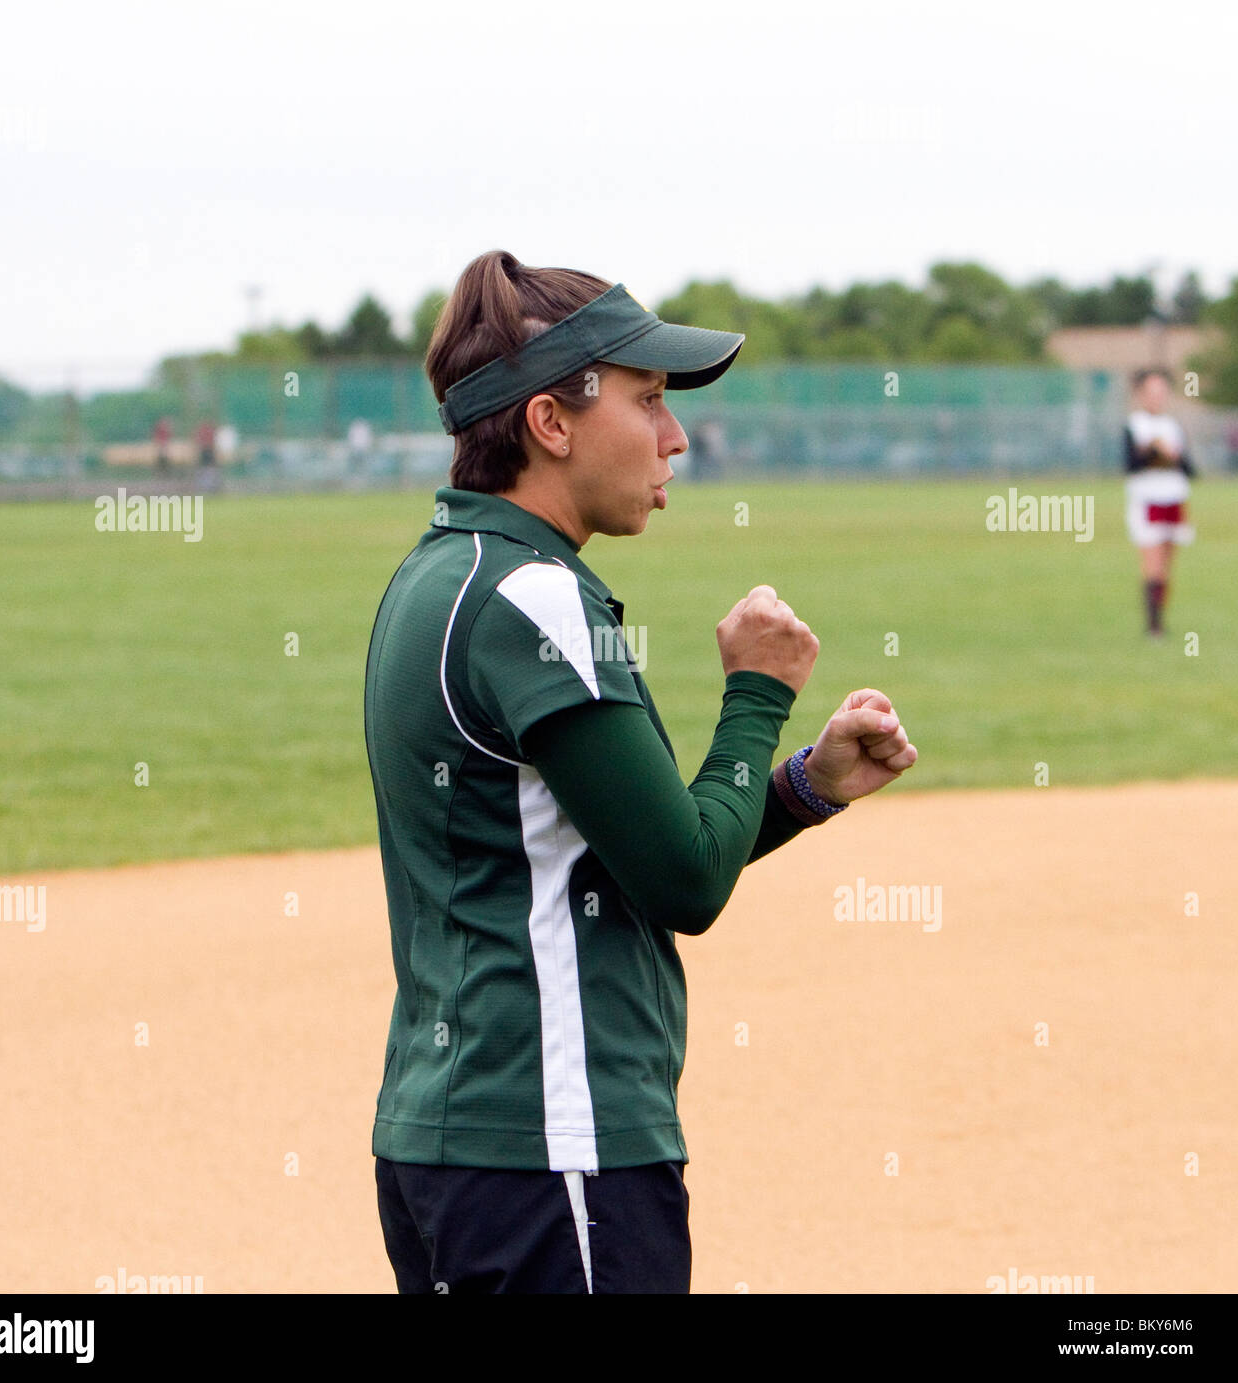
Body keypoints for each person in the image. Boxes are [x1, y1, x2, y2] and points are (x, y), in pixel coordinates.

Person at [363, 250, 918, 1295]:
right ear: (550, 422)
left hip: (453, 1143)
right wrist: (758, 695)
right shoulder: (538, 600)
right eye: (649, 399)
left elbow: (627, 842)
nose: (676, 437)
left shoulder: (440, 574)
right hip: (554, 1146)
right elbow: (683, 881)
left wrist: (801, 788)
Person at [1123, 367, 1196, 637]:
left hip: (1174, 499)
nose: (1157, 397)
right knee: (1152, 563)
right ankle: (1154, 625)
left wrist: (1174, 455)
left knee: (1166, 566)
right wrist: (1154, 450)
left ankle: (1160, 616)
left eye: (1161, 391)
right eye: (1152, 392)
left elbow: (1190, 470)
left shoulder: (1172, 426)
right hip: (1148, 500)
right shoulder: (1135, 426)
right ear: (1141, 394)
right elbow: (1131, 465)